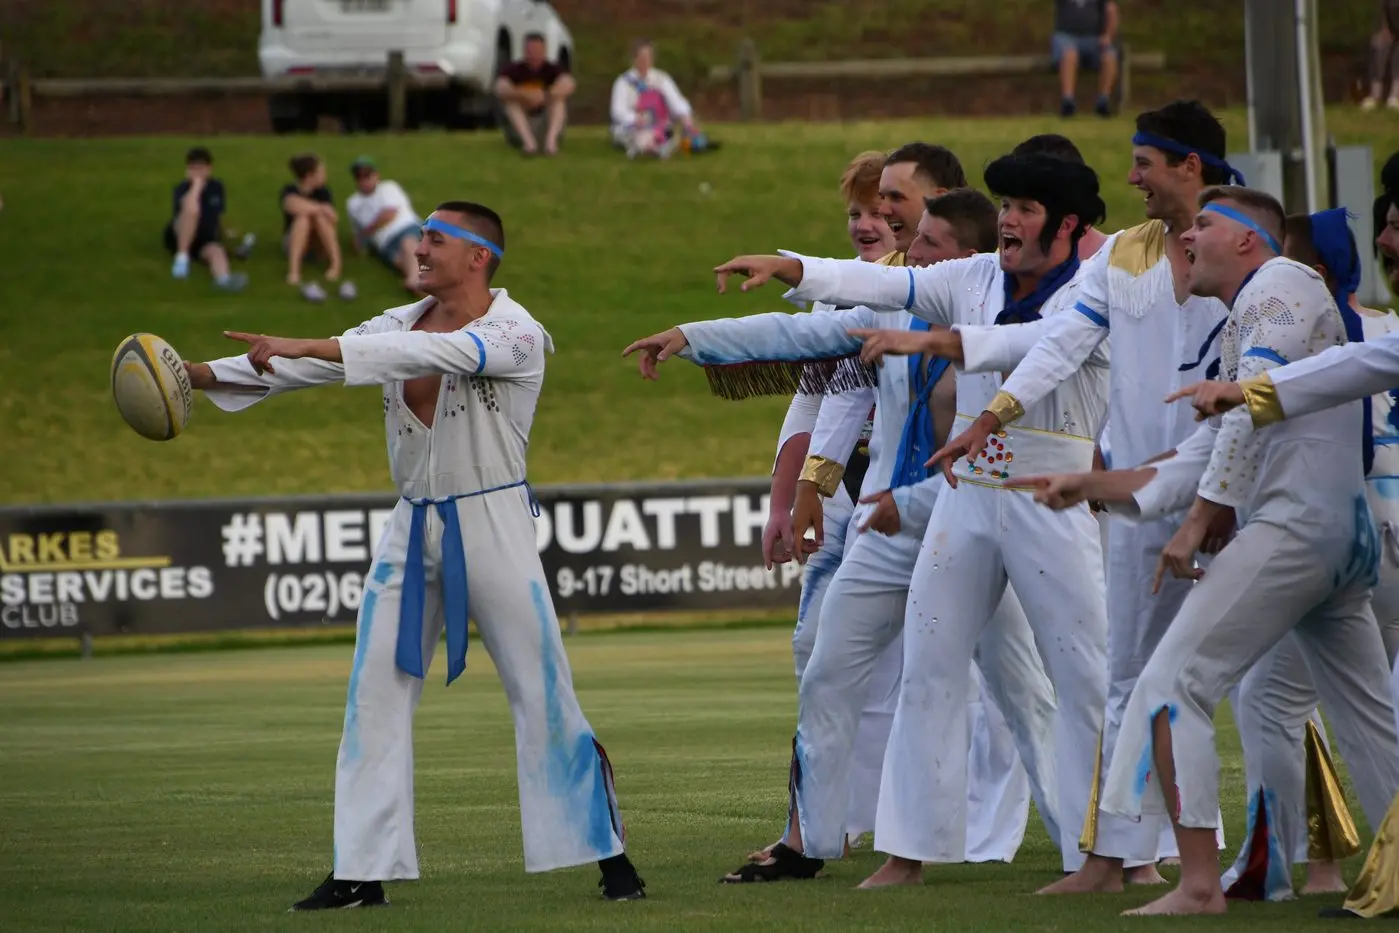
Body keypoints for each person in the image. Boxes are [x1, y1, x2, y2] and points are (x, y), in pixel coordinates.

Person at [181, 201, 647, 909]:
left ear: (478, 256)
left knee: (541, 688)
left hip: (494, 520)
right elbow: (305, 367)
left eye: (434, 238)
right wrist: (193, 375)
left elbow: (434, 355)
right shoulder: (392, 325)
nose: (417, 247)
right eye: (420, 235)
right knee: (373, 695)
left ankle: (610, 857)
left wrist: (318, 346)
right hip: (411, 524)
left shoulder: (517, 331)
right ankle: (360, 871)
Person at [625, 159, 1063, 886]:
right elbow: (794, 336)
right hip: (889, 522)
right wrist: (690, 335)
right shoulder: (888, 312)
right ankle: (813, 840)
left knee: (1023, 694)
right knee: (827, 668)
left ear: (966, 256)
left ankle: (1104, 851)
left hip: (982, 518)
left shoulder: (1006, 317)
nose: (904, 249)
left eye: (922, 239)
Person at [1021, 186, 1399, 917]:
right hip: (1336, 537)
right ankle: (1287, 869)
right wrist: (1091, 483)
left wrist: (1196, 524)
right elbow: (1205, 444)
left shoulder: (1281, 283)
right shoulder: (1247, 320)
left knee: (1170, 687)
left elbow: (1242, 417)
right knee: (1352, 713)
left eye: (1200, 224)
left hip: (1298, 531)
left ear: (1248, 241)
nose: (1183, 236)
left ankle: (1197, 884)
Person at [927, 101, 1241, 893]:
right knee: (1129, 680)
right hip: (1137, 496)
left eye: (1143, 163)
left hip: (1232, 492)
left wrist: (1221, 495)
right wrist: (988, 419)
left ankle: (1286, 853)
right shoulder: (1126, 253)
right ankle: (1117, 859)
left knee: (1262, 690)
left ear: (1188, 166)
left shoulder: (1245, 242)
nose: (1129, 178)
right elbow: (1063, 342)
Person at [162, 146, 247, 292]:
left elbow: (216, 215)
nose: (198, 172)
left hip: (203, 238)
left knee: (216, 251)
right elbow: (188, 210)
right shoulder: (182, 188)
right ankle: (181, 258)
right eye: (193, 168)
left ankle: (223, 279)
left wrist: (224, 232)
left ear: (209, 168)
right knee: (192, 211)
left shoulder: (217, 187)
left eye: (201, 168)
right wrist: (196, 187)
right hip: (180, 234)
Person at [609, 40, 711, 159]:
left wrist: (685, 117)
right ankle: (649, 147)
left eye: (648, 57)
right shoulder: (623, 82)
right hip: (631, 127)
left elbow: (676, 100)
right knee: (636, 135)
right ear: (634, 58)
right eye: (642, 57)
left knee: (673, 129)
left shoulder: (661, 78)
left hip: (658, 125)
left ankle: (656, 145)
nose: (645, 61)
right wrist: (635, 119)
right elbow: (617, 111)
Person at [346, 157, 423, 296]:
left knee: (408, 243)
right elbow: (357, 237)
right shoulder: (353, 203)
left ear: (376, 175)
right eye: (360, 177)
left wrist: (367, 232)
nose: (364, 180)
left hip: (407, 228)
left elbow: (389, 214)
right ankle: (424, 288)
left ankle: (413, 280)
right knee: (402, 261)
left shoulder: (388, 187)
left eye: (367, 175)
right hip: (385, 243)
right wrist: (359, 242)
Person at [280, 153, 352, 302]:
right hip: (295, 243)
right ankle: (294, 271)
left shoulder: (323, 191)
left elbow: (334, 218)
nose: (324, 175)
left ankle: (335, 265)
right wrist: (319, 208)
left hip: (319, 245)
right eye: (321, 171)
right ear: (309, 175)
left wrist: (312, 209)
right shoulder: (290, 190)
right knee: (303, 220)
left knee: (319, 219)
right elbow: (290, 205)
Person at [493, 32, 575, 156]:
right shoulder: (513, 70)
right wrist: (523, 95)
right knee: (511, 103)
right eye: (530, 50)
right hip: (522, 121)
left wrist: (545, 95)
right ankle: (529, 145)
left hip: (544, 118)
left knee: (558, 101)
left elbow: (569, 84)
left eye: (537, 50)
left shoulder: (553, 69)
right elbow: (500, 87)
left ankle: (550, 144)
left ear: (544, 50)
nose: (534, 54)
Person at [1052, 0, 1120, 118]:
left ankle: (1103, 101)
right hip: (1067, 35)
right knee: (1069, 53)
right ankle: (1068, 101)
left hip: (1094, 38)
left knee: (1109, 56)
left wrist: (1108, 35)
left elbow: (1111, 9)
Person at [1361, 1, 1399, 111]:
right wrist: (1384, 27)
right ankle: (1375, 95)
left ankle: (1395, 96)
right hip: (1391, 18)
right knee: (1379, 45)